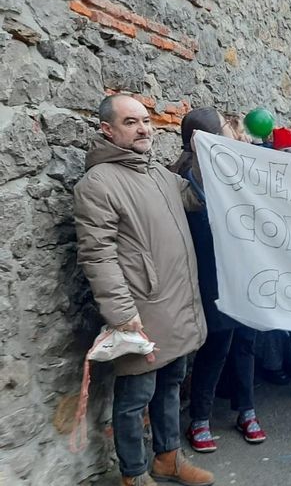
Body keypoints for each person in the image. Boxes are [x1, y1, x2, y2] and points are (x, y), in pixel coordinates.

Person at [73, 94, 214, 486]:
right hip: (142, 310)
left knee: (170, 385)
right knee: (135, 398)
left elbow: (193, 198)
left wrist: (207, 156)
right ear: (108, 129)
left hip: (176, 303)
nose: (143, 129)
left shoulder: (156, 173)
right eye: (131, 122)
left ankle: (167, 458)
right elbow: (97, 256)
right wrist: (120, 313)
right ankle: (133, 475)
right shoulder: (97, 184)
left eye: (146, 121)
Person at [172, 108, 267, 454]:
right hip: (212, 272)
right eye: (230, 128)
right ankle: (200, 417)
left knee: (245, 341)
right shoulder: (184, 172)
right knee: (217, 344)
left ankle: (246, 410)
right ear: (206, 137)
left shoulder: (236, 163)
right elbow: (196, 204)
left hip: (244, 268)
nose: (238, 134)